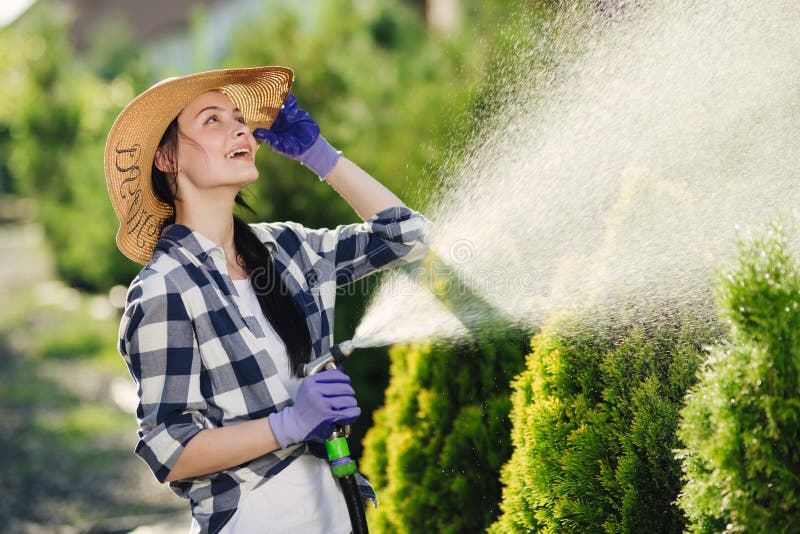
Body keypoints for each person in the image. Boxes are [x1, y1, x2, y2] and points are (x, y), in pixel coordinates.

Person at [104, 66, 430, 533]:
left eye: (239, 118)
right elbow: (170, 449)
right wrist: (290, 424)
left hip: (334, 509)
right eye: (212, 120)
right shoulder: (165, 288)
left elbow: (407, 236)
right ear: (167, 160)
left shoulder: (288, 250)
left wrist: (321, 157)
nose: (240, 127)